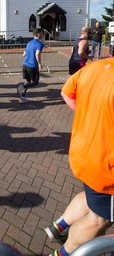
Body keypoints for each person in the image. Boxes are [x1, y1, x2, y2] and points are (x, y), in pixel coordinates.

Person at [45, 57, 114, 256]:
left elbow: (66, 93)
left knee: (91, 196)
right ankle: (63, 254)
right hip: (106, 167)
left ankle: (57, 227)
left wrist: (92, 115)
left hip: (83, 154)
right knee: (100, 219)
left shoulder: (93, 67)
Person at [17, 28, 45, 103]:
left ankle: (22, 98)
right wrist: (39, 64)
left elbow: (24, 54)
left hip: (25, 65)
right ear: (38, 34)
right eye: (42, 33)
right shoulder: (40, 44)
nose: (42, 35)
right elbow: (37, 53)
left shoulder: (29, 43)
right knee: (35, 82)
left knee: (28, 81)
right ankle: (22, 86)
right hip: (32, 66)